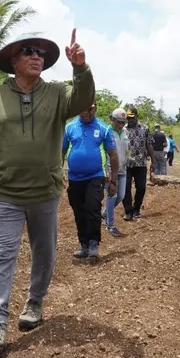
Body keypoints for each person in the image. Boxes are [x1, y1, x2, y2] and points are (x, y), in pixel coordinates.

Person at [0, 30, 94, 357]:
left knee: (44, 251)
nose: (37, 57)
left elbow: (84, 99)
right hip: (4, 191)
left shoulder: (58, 93)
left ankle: (34, 301)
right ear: (13, 60)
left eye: (42, 54)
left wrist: (81, 68)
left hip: (44, 191)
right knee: (3, 253)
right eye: (29, 51)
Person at [63, 103, 118, 261]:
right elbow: (62, 150)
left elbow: (113, 155)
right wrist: (58, 171)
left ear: (95, 109)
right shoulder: (70, 127)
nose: (86, 112)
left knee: (93, 207)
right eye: (83, 108)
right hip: (74, 177)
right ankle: (84, 245)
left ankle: (94, 244)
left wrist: (113, 180)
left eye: (89, 109)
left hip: (95, 176)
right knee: (78, 211)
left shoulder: (103, 128)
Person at [122, 107, 156, 221]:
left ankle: (136, 208)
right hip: (126, 164)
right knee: (125, 188)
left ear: (136, 116)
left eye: (131, 117)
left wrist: (153, 161)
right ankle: (128, 211)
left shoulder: (144, 128)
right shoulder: (122, 129)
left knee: (141, 188)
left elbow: (149, 145)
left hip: (141, 163)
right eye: (128, 117)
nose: (129, 120)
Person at [102, 108, 129, 237]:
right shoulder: (106, 132)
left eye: (123, 122)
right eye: (118, 122)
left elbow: (126, 149)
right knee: (111, 196)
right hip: (110, 170)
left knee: (121, 196)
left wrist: (129, 159)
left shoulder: (125, 132)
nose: (121, 125)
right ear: (112, 119)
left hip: (123, 170)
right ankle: (110, 225)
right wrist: (106, 170)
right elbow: (105, 153)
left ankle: (105, 213)